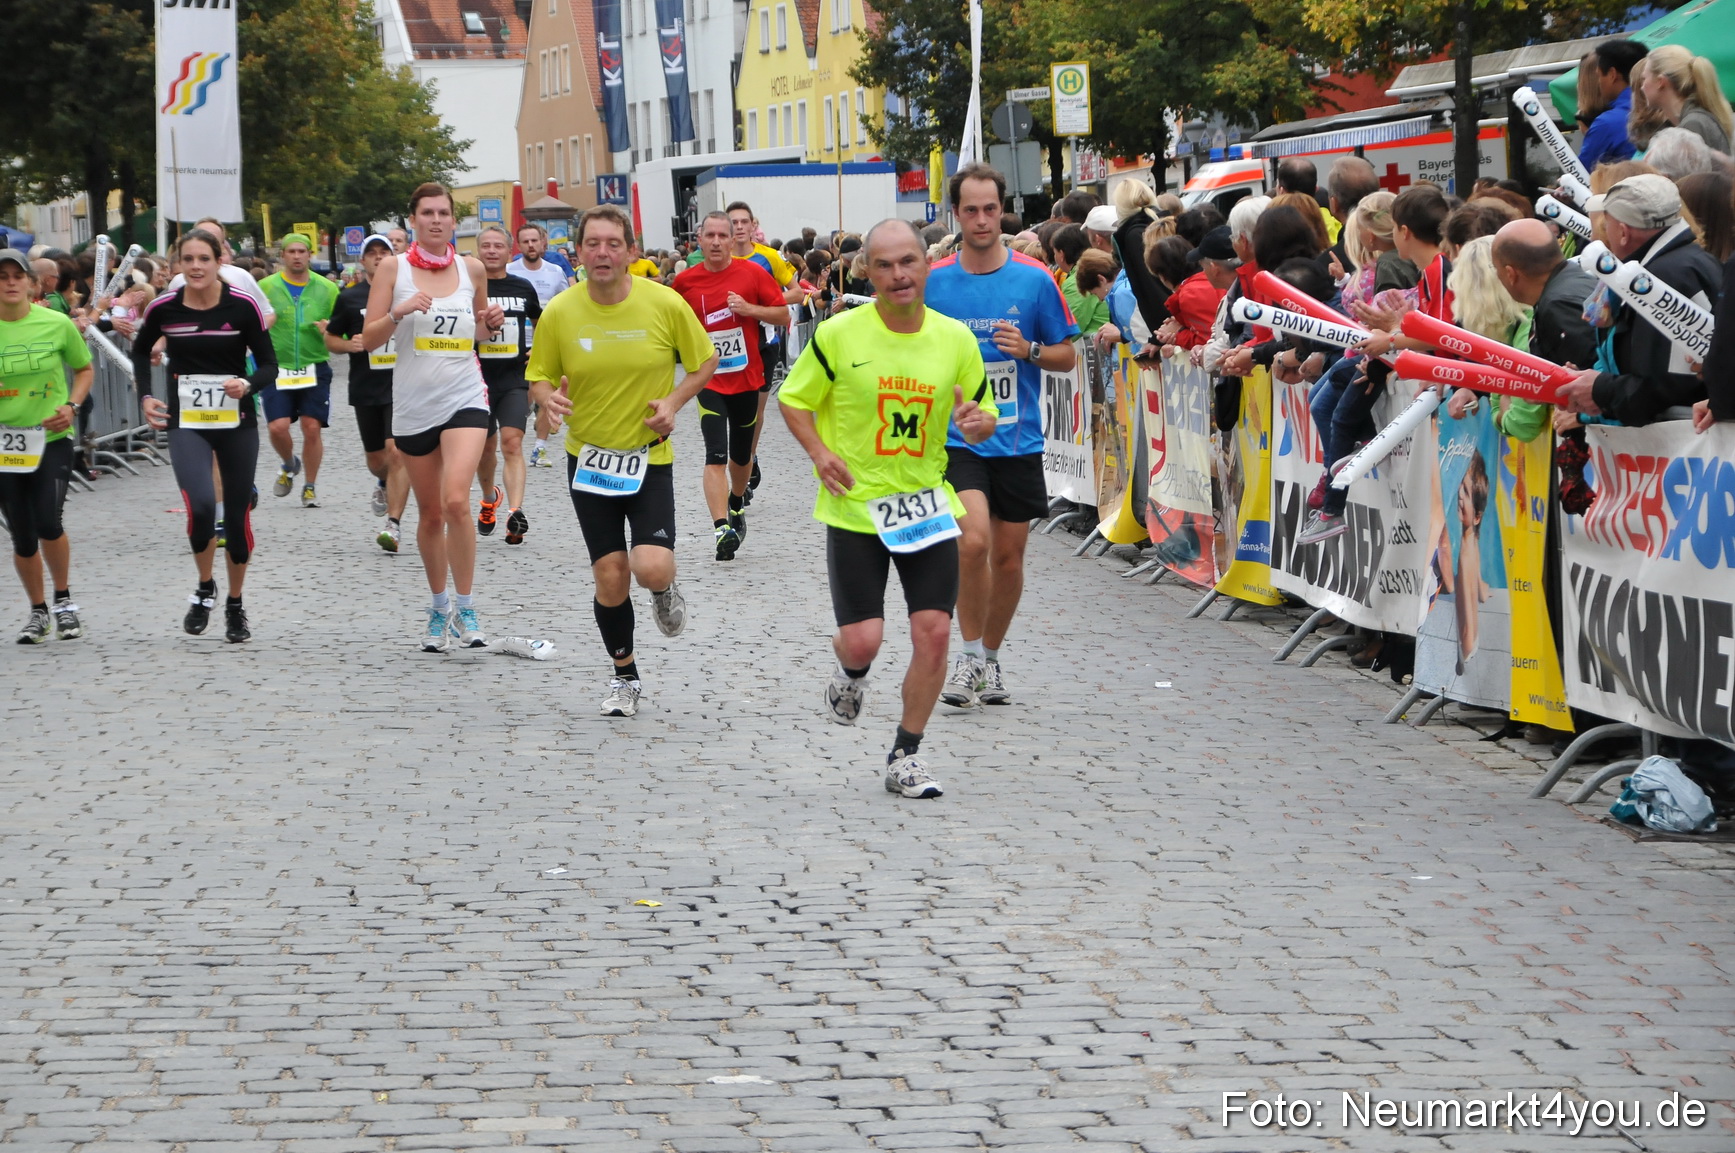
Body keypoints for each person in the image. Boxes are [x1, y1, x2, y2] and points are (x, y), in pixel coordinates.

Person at [779, 218, 998, 798]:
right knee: (863, 641)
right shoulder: (840, 335)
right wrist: (820, 452)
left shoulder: (954, 339)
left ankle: (907, 754)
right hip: (856, 508)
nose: (899, 275)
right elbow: (794, 401)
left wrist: (979, 424)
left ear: (927, 265)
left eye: (909, 262)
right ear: (866, 272)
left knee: (933, 634)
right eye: (885, 265)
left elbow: (979, 413)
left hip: (925, 505)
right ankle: (851, 672)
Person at [526, 205, 719, 717]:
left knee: (649, 566)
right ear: (580, 252)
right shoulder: (561, 312)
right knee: (611, 576)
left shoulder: (664, 303)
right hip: (587, 459)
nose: (604, 252)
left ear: (632, 252)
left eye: (614, 243)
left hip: (648, 457)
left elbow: (704, 363)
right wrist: (547, 399)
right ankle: (625, 677)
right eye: (593, 243)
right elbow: (539, 375)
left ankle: (664, 587)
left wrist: (673, 403)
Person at [926, 163, 1078, 708]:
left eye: (991, 208)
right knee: (973, 542)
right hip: (956, 438)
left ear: (1003, 210)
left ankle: (989, 658)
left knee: (1009, 558)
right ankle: (966, 659)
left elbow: (1066, 355)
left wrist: (1029, 351)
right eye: (971, 209)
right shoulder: (935, 281)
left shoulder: (1034, 281)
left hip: (1018, 438)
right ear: (956, 214)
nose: (982, 219)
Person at [361, 182, 505, 651]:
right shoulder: (392, 268)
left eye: (444, 212)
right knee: (428, 515)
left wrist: (492, 322)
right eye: (428, 213)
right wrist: (399, 313)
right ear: (413, 220)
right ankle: (439, 606)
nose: (437, 220)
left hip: (465, 396)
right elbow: (368, 340)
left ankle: (466, 605)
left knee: (456, 503)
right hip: (413, 405)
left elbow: (479, 333)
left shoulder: (472, 269)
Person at [135, 230, 279, 643]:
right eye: (188, 259)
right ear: (178, 264)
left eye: (204, 258)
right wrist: (145, 395)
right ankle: (204, 588)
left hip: (236, 422)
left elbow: (270, 364)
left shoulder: (242, 306)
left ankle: (235, 603)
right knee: (200, 506)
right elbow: (141, 351)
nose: (196, 266)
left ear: (219, 262)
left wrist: (248, 384)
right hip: (189, 421)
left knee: (235, 517)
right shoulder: (164, 308)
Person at [1555, 174, 1721, 426]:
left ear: (1622, 232)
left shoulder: (1662, 277)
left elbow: (1667, 387)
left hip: (1682, 441)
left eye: (1605, 223)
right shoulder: (1690, 261)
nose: (1601, 233)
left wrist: (1600, 388)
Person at [671, 211, 789, 560]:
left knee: (741, 458)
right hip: (708, 380)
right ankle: (721, 526)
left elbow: (783, 314)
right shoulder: (685, 283)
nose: (718, 242)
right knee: (715, 455)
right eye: (711, 236)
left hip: (747, 379)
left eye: (724, 235)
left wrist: (750, 309)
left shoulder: (753, 273)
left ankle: (736, 501)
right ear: (700, 239)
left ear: (732, 239)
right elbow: (670, 326)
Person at [0, 250, 94, 643]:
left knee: (48, 521)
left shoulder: (56, 324)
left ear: (31, 283)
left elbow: (84, 369)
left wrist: (71, 407)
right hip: (5, 444)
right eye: (1, 277)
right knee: (21, 533)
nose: (9, 283)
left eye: (16, 276)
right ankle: (38, 612)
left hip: (51, 437)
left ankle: (64, 601)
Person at [324, 233, 411, 551]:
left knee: (397, 451)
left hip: (401, 386)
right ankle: (382, 481)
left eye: (383, 252)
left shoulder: (406, 292)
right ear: (362, 261)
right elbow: (331, 338)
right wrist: (349, 344)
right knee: (377, 459)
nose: (377, 257)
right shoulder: (350, 297)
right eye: (371, 253)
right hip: (365, 386)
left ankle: (394, 524)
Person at [725, 200, 804, 500]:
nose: (740, 227)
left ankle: (748, 456)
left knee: (755, 411)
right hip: (729, 344)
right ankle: (739, 462)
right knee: (732, 408)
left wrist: (762, 306)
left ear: (753, 225)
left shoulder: (769, 257)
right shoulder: (718, 258)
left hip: (763, 342)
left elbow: (796, 291)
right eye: (734, 222)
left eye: (745, 222)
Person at [257, 234, 338, 507]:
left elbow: (343, 326)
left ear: (310, 254)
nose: (296, 256)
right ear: (283, 256)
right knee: (278, 427)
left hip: (314, 364)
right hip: (276, 366)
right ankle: (290, 463)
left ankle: (310, 487)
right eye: (291, 251)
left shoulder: (327, 288)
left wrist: (332, 329)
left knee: (311, 427)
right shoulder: (265, 286)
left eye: (301, 251)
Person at [474, 224, 543, 545]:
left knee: (512, 443)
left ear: (508, 250)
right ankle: (489, 498)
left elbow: (540, 321)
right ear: (478, 250)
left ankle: (516, 513)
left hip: (514, 378)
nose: (491, 251)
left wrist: (539, 351)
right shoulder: (468, 287)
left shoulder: (522, 286)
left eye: (497, 246)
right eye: (485, 245)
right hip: (475, 379)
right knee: (485, 448)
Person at [511, 222, 572, 470]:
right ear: (519, 245)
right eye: (525, 241)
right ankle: (513, 443)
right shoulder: (510, 270)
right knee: (520, 399)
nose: (531, 245)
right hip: (514, 343)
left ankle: (539, 447)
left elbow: (567, 306)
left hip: (546, 343)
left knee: (547, 393)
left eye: (534, 241)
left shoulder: (555, 272)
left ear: (543, 242)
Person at [168, 218, 276, 328]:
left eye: (212, 239)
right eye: (201, 237)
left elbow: (267, 314)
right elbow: (165, 319)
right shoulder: (179, 281)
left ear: (222, 245)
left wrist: (247, 338)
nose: (205, 243)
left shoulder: (241, 276)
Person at [1638, 44, 1733, 154]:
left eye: (1644, 79)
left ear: (1660, 82)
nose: (1642, 87)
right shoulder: (1695, 120)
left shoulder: (1693, 126)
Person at [1580, 39, 1649, 169]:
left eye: (1599, 76)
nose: (1599, 83)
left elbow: (1580, 176)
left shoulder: (1606, 124)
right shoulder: (1662, 111)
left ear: (1612, 74)